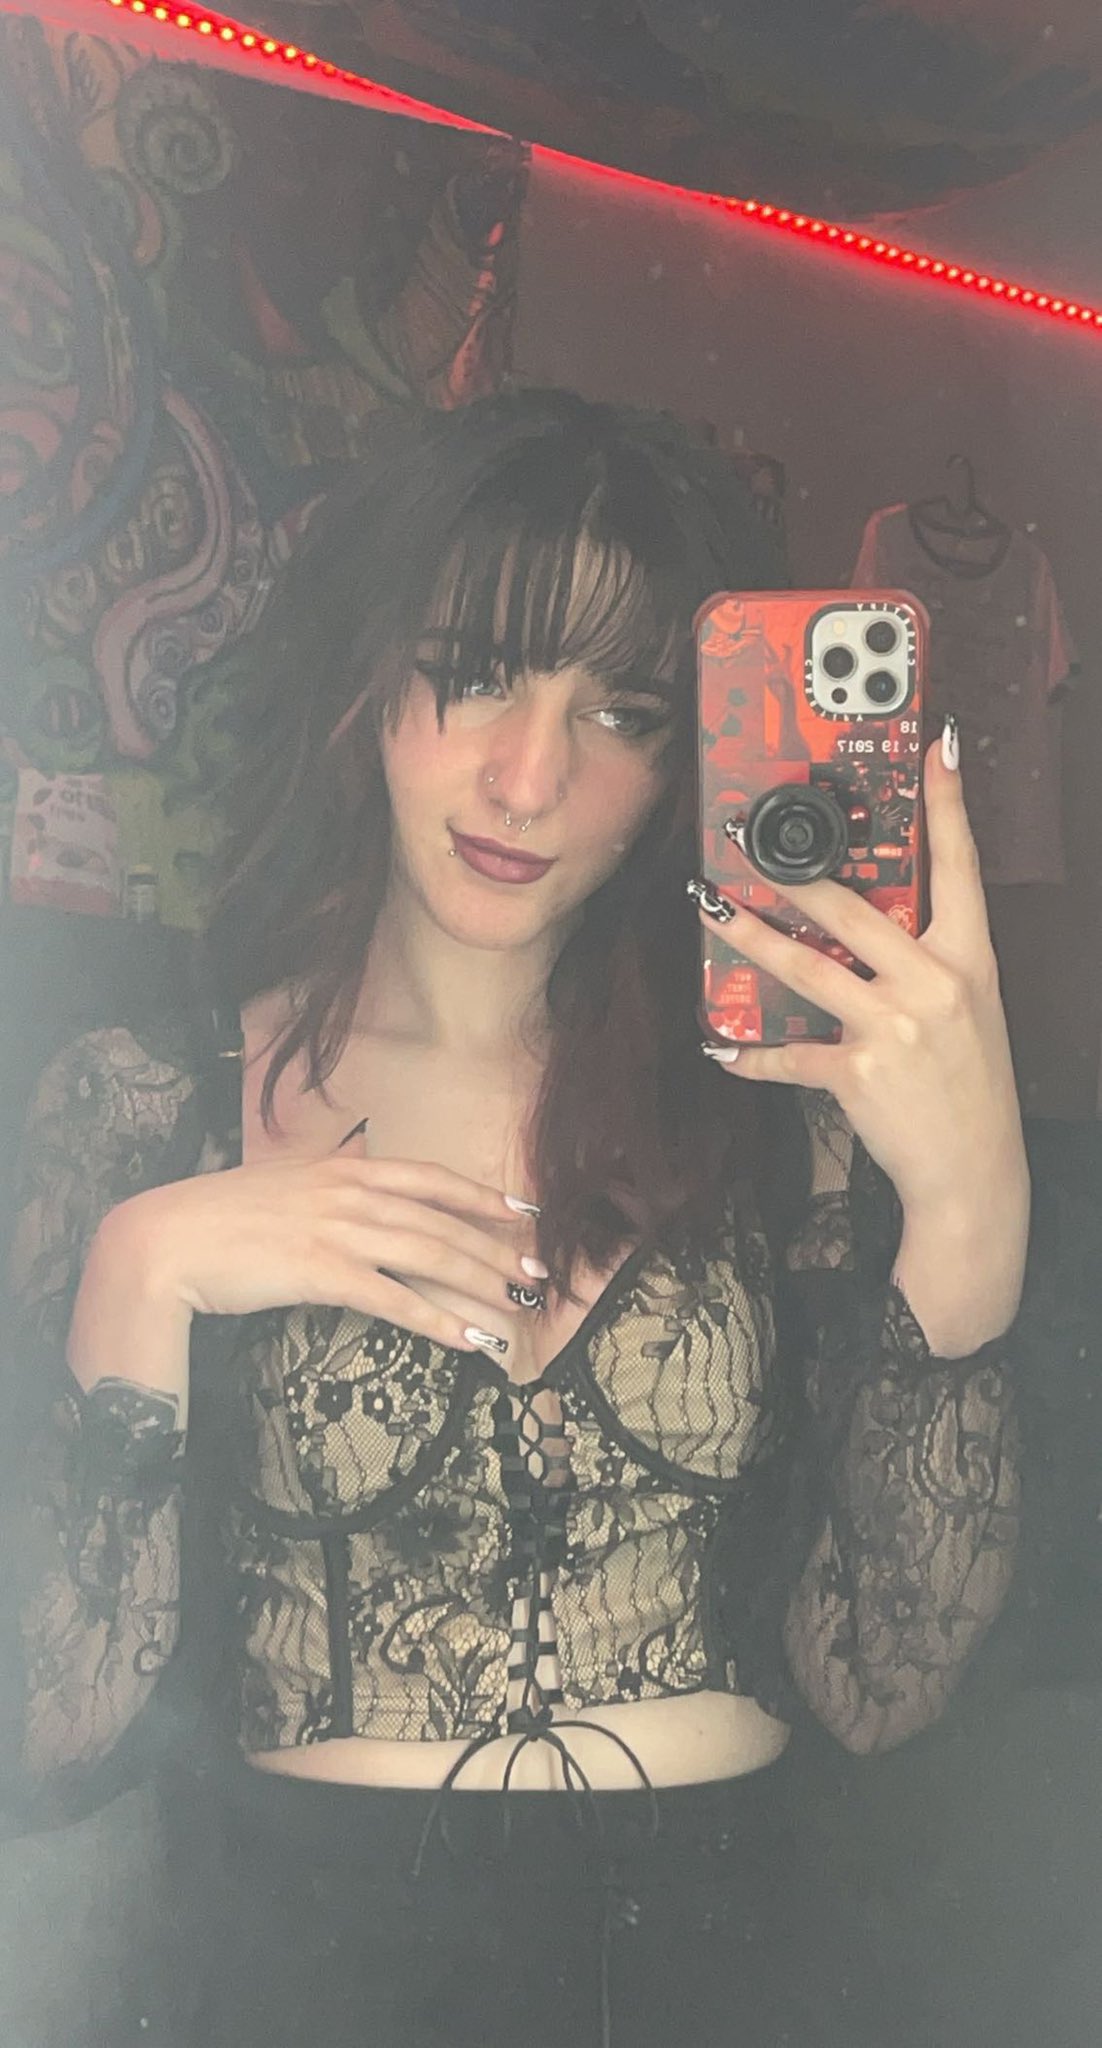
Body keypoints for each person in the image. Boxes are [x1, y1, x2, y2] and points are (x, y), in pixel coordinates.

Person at [6, 390, 1028, 2048]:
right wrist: (141, 1272)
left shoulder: (777, 1113)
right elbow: (50, 1723)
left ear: (680, 763)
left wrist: (975, 1202)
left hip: (733, 1960)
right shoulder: (146, 1103)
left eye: (620, 710)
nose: (530, 777)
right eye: (475, 673)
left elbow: (888, 1677)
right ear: (366, 680)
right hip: (314, 1973)